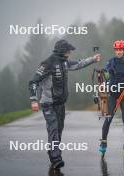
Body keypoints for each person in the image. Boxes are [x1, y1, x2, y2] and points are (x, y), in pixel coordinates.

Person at [29, 39, 102, 169]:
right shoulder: (47, 64)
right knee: (53, 129)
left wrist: (93, 59)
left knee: (59, 129)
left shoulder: (64, 62)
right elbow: (33, 82)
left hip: (60, 103)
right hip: (48, 103)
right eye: (69, 51)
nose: (70, 53)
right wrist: (34, 100)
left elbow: (79, 64)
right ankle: (56, 158)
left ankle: (53, 151)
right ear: (62, 51)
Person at [99, 40, 124, 156]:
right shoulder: (111, 62)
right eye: (117, 50)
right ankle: (103, 142)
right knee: (108, 118)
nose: (119, 52)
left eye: (121, 50)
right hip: (112, 93)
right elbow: (106, 76)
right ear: (115, 51)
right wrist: (104, 73)